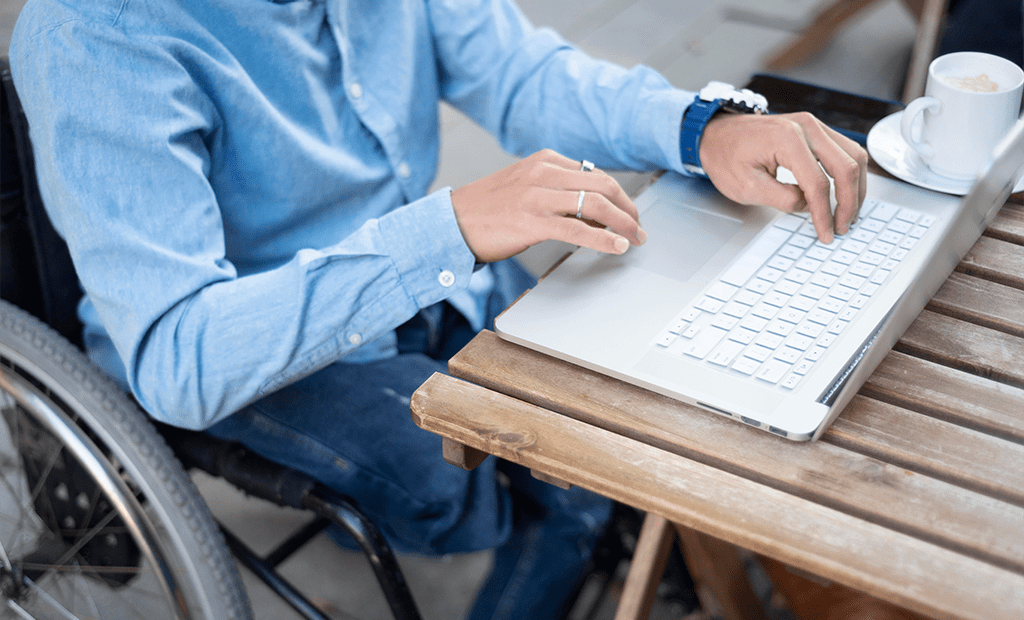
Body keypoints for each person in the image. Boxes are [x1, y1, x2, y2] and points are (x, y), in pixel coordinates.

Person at [9, 0, 867, 618]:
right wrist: (447, 230)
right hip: (249, 344)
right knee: (531, 485)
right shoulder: (99, 32)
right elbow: (178, 355)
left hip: (421, 273)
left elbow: (521, 71)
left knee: (624, 420)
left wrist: (701, 128)